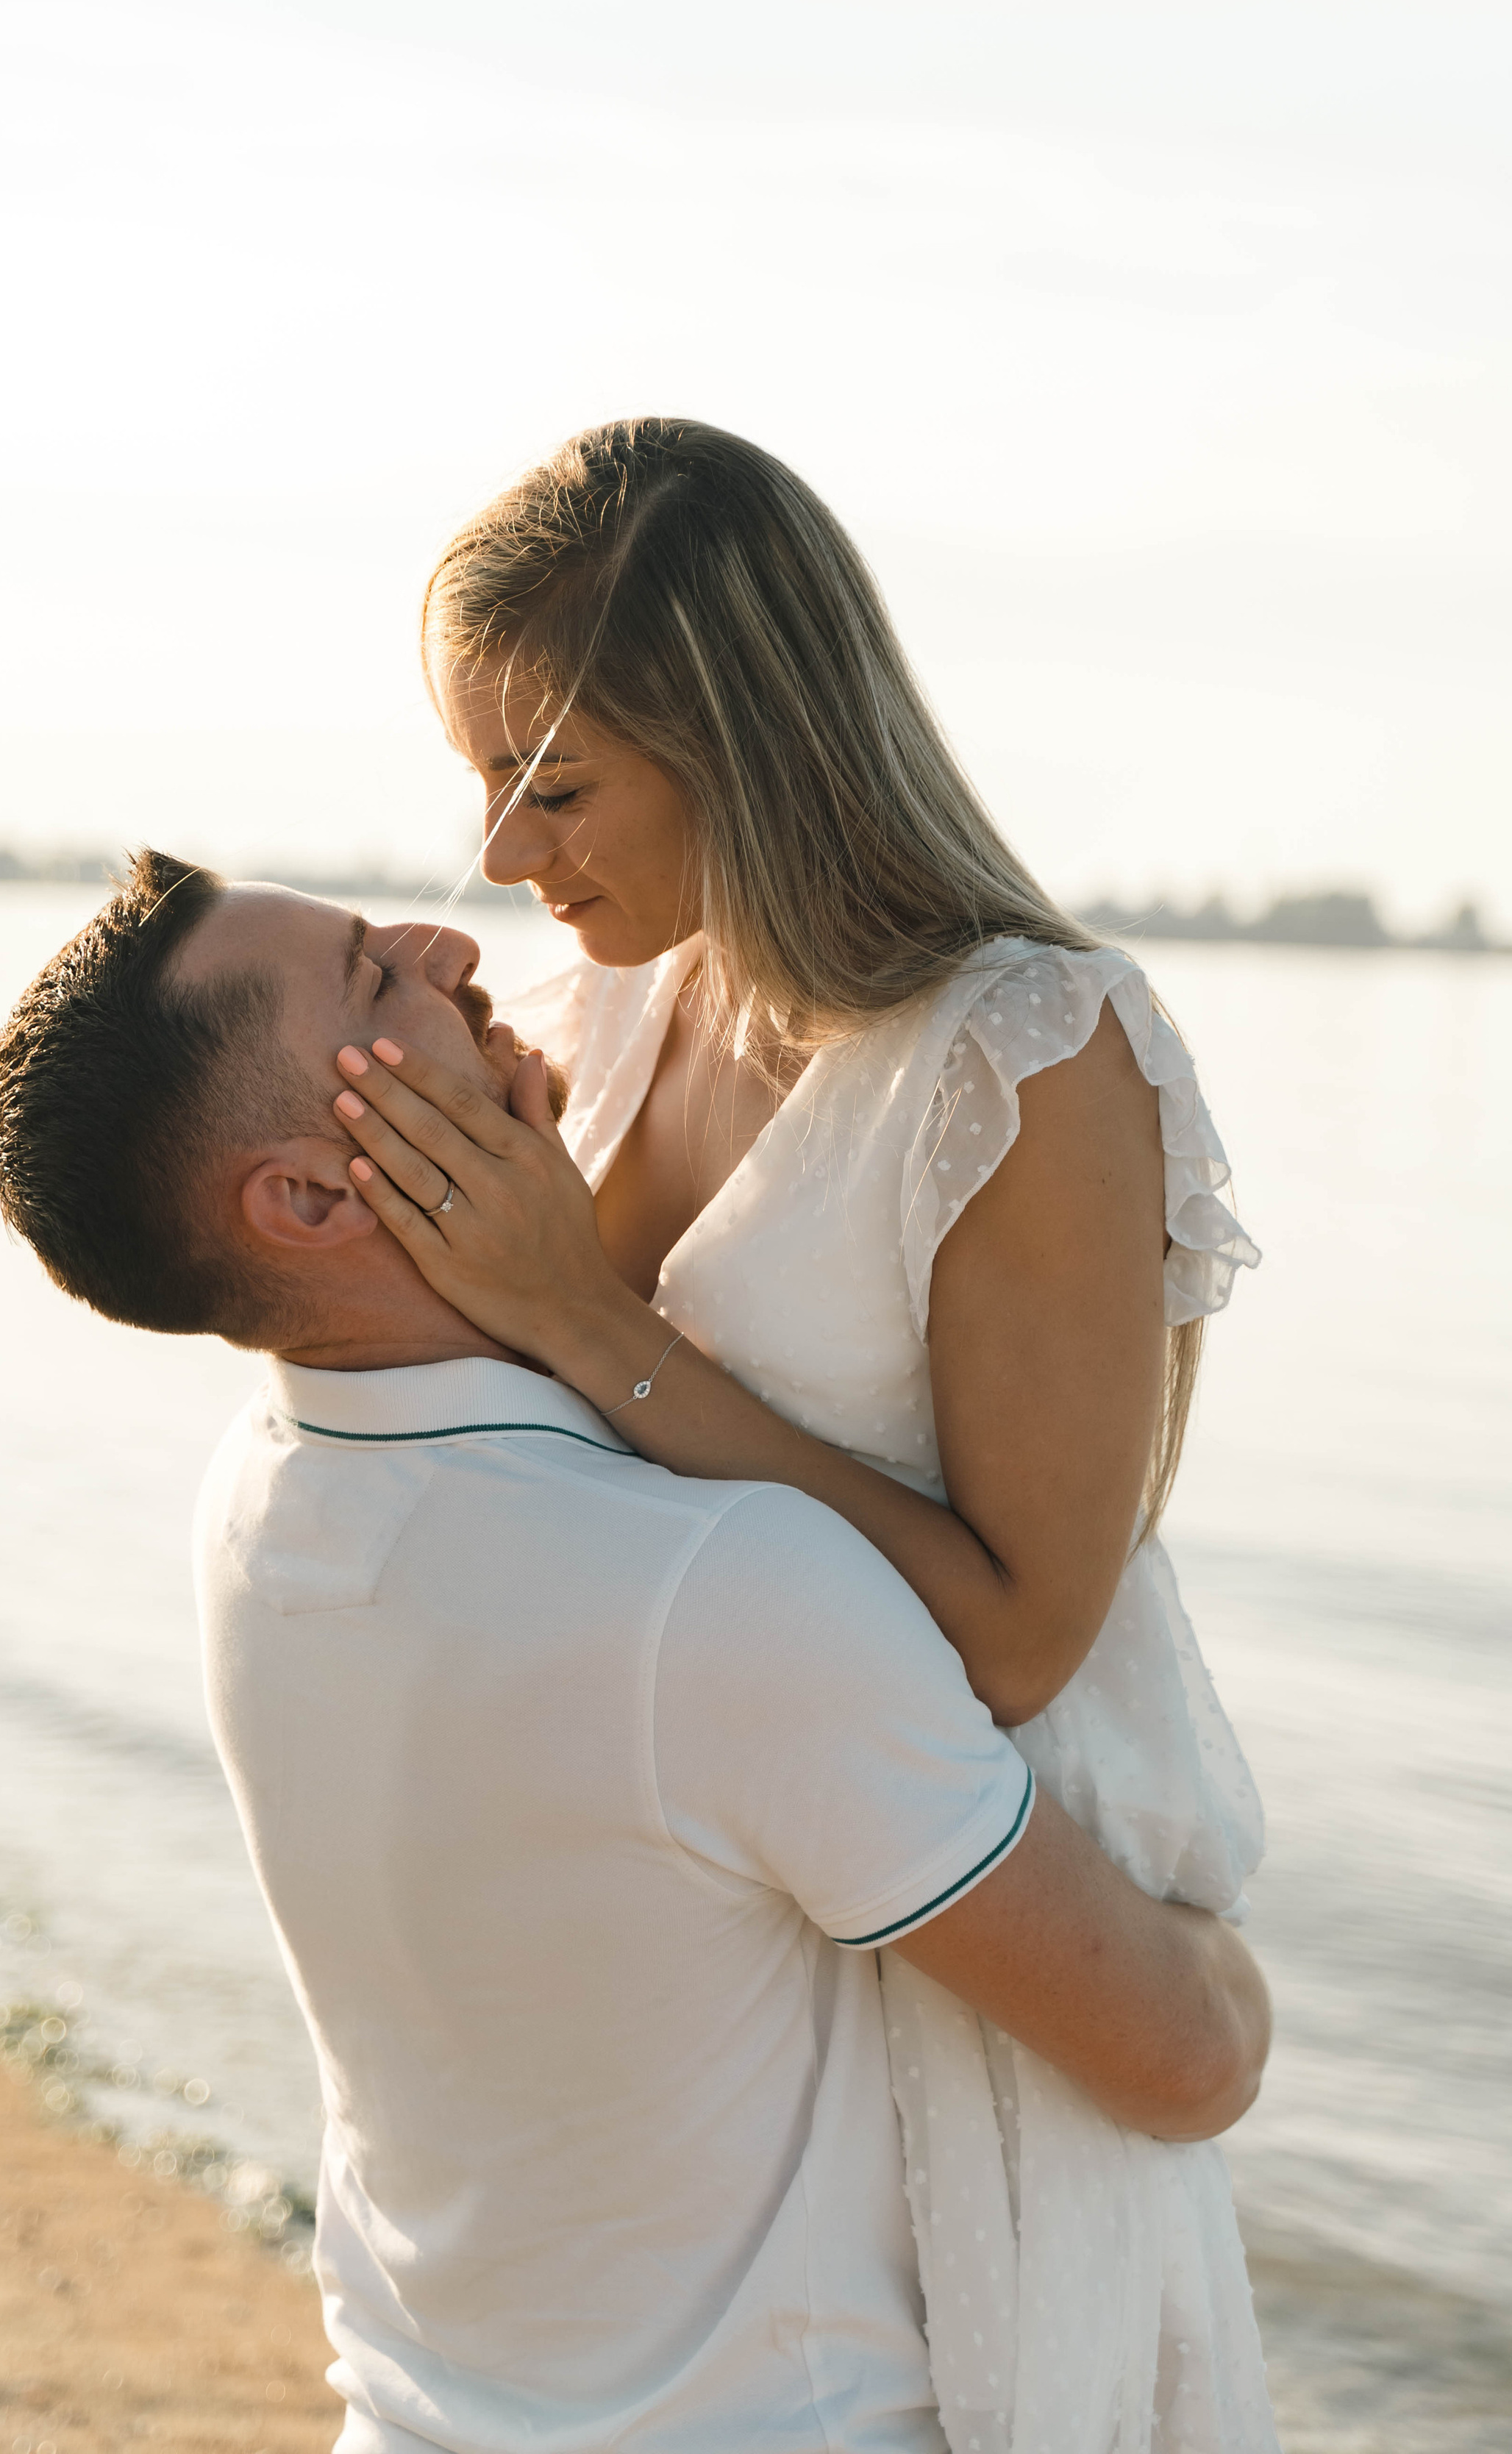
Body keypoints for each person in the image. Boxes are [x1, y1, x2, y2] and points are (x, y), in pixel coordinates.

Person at [0, 851, 1272, 2454]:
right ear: (308, 1196)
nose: (456, 941)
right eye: (377, 979)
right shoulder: (718, 1593)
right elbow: (1185, 2063)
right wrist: (1212, 1940)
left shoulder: (257, 1504)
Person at [318, 416, 1278, 2454]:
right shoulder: (619, 1016)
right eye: (482, 775)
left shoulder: (1025, 1055)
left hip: (997, 1983)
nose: (500, 851)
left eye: (551, 781)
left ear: (743, 743)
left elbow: (1021, 1637)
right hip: (740, 1969)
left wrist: (585, 1317)